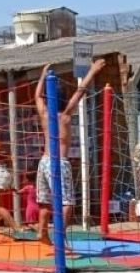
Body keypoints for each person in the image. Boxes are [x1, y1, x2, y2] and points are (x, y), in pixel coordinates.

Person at [34, 59, 106, 244]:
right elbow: (80, 91)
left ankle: (42, 231)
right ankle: (60, 234)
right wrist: (92, 71)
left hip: (44, 161)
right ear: (63, 100)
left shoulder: (44, 115)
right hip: (58, 162)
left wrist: (42, 75)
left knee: (45, 201)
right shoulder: (65, 116)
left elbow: (37, 95)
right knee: (68, 202)